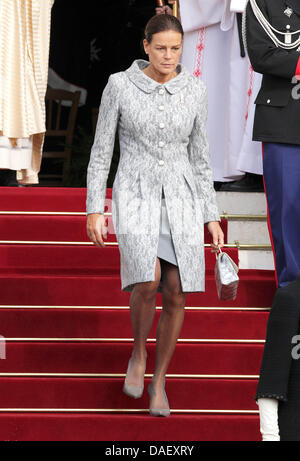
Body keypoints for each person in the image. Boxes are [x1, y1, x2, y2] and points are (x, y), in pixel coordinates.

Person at [86, 13, 224, 417]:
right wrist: (96, 207)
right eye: (160, 48)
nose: (168, 55)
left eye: (176, 49)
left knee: (177, 289)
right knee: (146, 280)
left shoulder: (194, 89)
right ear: (145, 46)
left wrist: (211, 216)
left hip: (182, 197)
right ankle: (138, 354)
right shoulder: (119, 86)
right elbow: (101, 152)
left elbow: (200, 159)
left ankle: (159, 380)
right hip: (134, 192)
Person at [244, 0, 300, 441]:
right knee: (287, 213)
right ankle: (291, 296)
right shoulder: (264, 2)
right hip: (283, 117)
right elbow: (261, 52)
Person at [157, 0, 264, 191]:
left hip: (247, 19)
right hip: (221, 25)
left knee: (238, 92)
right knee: (215, 96)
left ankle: (249, 169)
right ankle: (211, 169)